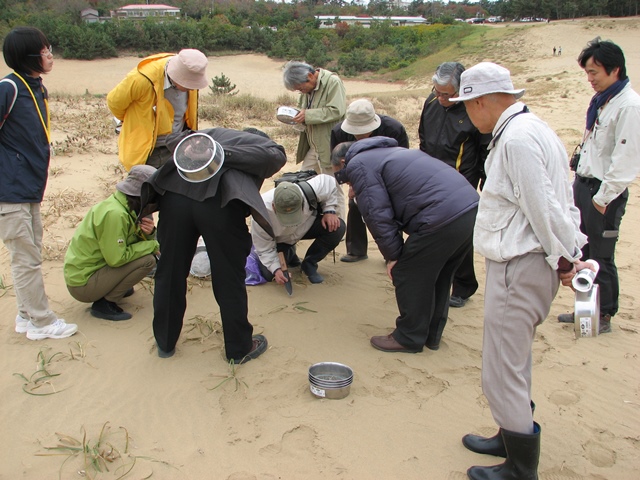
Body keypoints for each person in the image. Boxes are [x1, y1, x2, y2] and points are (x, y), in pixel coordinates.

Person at [448, 62, 589, 479]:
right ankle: (510, 431)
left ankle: (519, 468)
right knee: (512, 359)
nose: (467, 115)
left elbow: (544, 208)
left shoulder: (517, 140)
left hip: (522, 261)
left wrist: (566, 258)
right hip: (526, 259)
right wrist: (567, 252)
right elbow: (558, 200)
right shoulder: (532, 128)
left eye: (467, 106)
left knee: (502, 365)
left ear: (483, 101)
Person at [140, 128, 286, 361]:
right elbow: (276, 156)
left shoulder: (209, 135)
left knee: (170, 272)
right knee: (229, 277)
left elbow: (173, 138)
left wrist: (211, 152)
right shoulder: (260, 144)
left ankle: (165, 343)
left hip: (175, 197)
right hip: (220, 205)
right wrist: (221, 154)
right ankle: (239, 348)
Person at [331, 137, 479, 352]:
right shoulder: (390, 151)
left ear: (344, 162)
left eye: (343, 177)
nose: (347, 183)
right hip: (468, 206)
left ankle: (409, 337)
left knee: (407, 272)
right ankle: (431, 335)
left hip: (440, 215)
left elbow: (377, 214)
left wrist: (394, 256)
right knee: (439, 275)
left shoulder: (358, 164)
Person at [557, 38, 640, 334]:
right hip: (585, 184)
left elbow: (626, 161)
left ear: (615, 69)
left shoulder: (629, 106)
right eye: (587, 73)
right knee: (584, 251)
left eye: (595, 73)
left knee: (602, 255)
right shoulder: (603, 101)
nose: (590, 79)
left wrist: (602, 198)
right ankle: (585, 311)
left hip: (604, 193)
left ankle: (603, 315)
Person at [0, 27, 78, 341]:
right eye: (45, 50)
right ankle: (43, 322)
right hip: (11, 190)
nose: (50, 55)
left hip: (29, 188)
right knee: (26, 258)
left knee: (31, 254)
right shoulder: (9, 88)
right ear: (30, 56)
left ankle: (25, 316)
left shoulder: (35, 87)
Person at [418, 61, 491, 308]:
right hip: (432, 178)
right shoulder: (431, 103)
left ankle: (464, 286)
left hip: (462, 182)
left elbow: (485, 151)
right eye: (436, 92)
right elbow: (424, 139)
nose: (440, 98)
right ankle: (435, 276)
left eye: (446, 94)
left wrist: (485, 186)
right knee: (431, 229)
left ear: (461, 91)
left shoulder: (473, 109)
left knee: (459, 235)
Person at [63, 166, 159, 321]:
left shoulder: (124, 206)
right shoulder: (115, 214)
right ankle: (105, 303)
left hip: (93, 271)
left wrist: (150, 235)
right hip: (82, 285)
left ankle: (111, 288)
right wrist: (153, 245)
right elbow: (116, 258)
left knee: (144, 254)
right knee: (147, 261)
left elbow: (129, 243)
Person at [330, 98, 409, 263]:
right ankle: (356, 250)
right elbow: (338, 162)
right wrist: (352, 184)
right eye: (355, 131)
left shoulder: (393, 129)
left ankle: (395, 253)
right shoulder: (338, 132)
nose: (359, 135)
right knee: (355, 204)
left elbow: (402, 159)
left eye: (363, 130)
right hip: (357, 173)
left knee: (390, 209)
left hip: (387, 172)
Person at [107, 49, 208, 170]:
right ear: (176, 76)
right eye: (188, 84)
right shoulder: (141, 80)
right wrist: (134, 122)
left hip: (178, 144)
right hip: (149, 150)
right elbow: (114, 103)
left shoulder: (190, 71)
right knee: (146, 184)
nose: (192, 89)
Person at [252, 175, 346, 285]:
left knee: (337, 227)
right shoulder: (260, 214)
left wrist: (329, 210)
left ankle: (310, 263)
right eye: (285, 216)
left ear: (302, 202)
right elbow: (264, 249)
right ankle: (289, 252)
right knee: (269, 274)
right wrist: (276, 269)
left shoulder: (308, 190)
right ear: (273, 206)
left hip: (305, 227)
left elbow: (329, 182)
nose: (290, 222)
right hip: (281, 239)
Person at [282, 61, 346, 216]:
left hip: (330, 146)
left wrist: (308, 115)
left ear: (310, 76)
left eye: (301, 88)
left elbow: (337, 111)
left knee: (333, 188)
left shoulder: (332, 82)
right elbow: (303, 111)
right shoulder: (306, 90)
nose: (301, 91)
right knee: (304, 180)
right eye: (298, 90)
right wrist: (295, 117)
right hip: (313, 145)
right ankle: (316, 220)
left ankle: (340, 228)